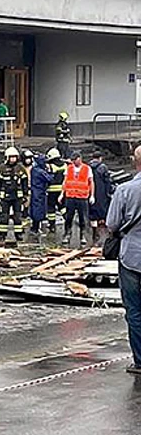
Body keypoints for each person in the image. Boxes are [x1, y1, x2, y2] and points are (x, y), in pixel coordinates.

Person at [106, 145, 141, 375]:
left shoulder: (125, 190)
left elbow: (112, 224)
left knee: (135, 311)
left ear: (134, 161)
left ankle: (140, 361)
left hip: (132, 257)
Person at [60, 151, 94, 246]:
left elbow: (91, 182)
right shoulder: (69, 168)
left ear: (79, 158)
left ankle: (82, 234)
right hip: (70, 196)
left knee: (83, 217)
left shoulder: (87, 169)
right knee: (68, 216)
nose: (74, 162)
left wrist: (92, 195)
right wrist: (62, 194)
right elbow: (65, 181)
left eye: (75, 160)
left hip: (82, 197)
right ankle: (67, 233)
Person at [0, 146, 28, 242]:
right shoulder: (2, 168)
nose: (13, 159)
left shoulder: (20, 168)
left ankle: (18, 234)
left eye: (14, 157)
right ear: (7, 157)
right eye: (11, 157)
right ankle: (2, 235)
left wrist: (25, 194)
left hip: (17, 196)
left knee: (17, 216)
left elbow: (24, 182)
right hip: (5, 196)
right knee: (4, 217)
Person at [89, 151, 114, 245]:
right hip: (102, 194)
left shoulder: (88, 168)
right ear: (100, 158)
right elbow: (107, 182)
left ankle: (94, 233)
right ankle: (106, 235)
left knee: (93, 214)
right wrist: (109, 192)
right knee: (103, 214)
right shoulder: (102, 168)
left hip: (91, 194)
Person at [29, 153, 54, 237]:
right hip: (39, 193)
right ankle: (35, 228)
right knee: (38, 210)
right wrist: (50, 171)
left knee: (36, 210)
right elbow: (50, 179)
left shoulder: (34, 169)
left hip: (36, 192)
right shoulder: (39, 171)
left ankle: (35, 227)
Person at [46, 148, 67, 234]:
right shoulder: (65, 165)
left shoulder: (50, 166)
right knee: (63, 207)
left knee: (51, 208)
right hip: (62, 190)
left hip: (51, 191)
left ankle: (52, 226)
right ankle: (68, 220)